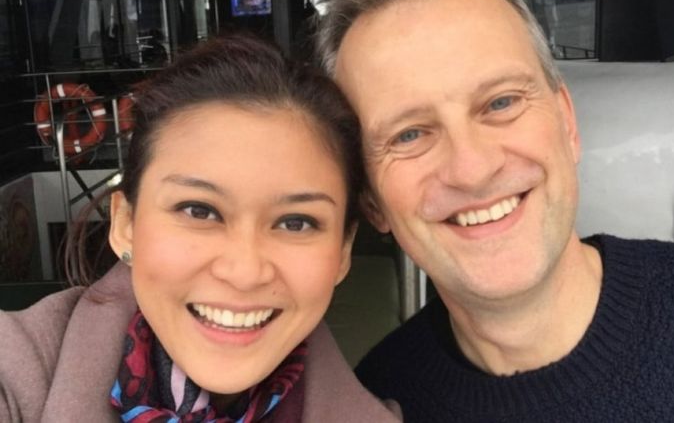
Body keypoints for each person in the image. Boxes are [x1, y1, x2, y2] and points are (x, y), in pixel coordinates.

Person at [314, 0, 674, 422]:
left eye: (501, 103)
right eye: (409, 135)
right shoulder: (371, 405)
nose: (472, 169)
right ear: (371, 202)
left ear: (567, 122)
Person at [0, 35, 401, 422]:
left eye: (295, 222)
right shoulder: (18, 369)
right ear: (125, 225)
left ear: (343, 251)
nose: (244, 272)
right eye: (199, 211)